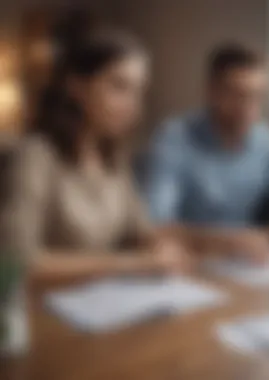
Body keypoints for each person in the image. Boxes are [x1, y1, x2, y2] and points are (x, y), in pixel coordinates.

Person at [2, 24, 189, 282]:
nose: (133, 106)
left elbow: (140, 228)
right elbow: (17, 259)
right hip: (46, 311)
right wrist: (130, 264)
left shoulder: (113, 158)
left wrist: (157, 245)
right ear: (77, 87)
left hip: (106, 303)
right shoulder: (35, 157)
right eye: (119, 87)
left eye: (139, 91)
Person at [144, 44, 269, 262]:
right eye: (239, 95)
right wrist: (224, 241)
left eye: (257, 96)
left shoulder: (266, 139)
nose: (250, 108)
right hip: (189, 266)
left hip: (246, 265)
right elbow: (155, 226)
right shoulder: (173, 138)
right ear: (211, 91)